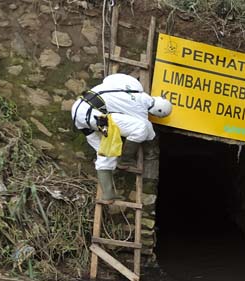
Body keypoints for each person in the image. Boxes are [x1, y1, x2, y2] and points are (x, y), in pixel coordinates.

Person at [71, 73, 172, 202]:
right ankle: (125, 160)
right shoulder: (139, 106)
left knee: (106, 151)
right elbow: (145, 128)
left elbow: (109, 79)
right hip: (93, 115)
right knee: (139, 129)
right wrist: (152, 142)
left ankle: (108, 194)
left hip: (79, 110)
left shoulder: (133, 88)